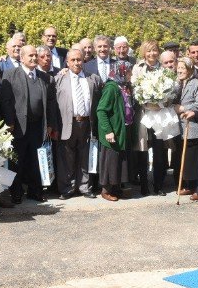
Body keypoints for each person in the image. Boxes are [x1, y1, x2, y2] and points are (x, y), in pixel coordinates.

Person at [0, 45, 58, 203]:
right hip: (18, 126)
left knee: (36, 160)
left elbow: (52, 103)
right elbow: (6, 101)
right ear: (22, 57)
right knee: (17, 161)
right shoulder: (10, 75)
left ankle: (35, 191)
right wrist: (9, 122)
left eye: (35, 55)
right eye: (30, 55)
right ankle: (16, 193)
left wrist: (50, 124)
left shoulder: (46, 78)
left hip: (38, 126)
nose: (33, 58)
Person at [54, 48, 101, 199]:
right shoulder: (59, 79)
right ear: (67, 62)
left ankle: (85, 187)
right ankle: (67, 188)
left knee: (85, 156)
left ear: (83, 61)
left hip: (87, 123)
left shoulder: (93, 78)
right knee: (66, 158)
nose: (76, 63)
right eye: (73, 60)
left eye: (79, 59)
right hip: (67, 123)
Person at [131, 40, 174, 196]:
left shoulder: (164, 69)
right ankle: (144, 184)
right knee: (142, 150)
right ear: (144, 52)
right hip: (143, 114)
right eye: (148, 51)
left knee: (159, 150)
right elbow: (135, 90)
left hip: (160, 114)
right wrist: (146, 100)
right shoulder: (137, 68)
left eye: (155, 50)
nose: (152, 54)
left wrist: (161, 101)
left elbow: (170, 91)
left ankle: (158, 184)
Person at [95, 66, 133, 201]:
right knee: (110, 161)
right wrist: (108, 131)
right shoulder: (111, 88)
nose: (130, 75)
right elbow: (101, 110)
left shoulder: (123, 87)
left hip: (122, 130)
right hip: (113, 131)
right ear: (121, 72)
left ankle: (116, 189)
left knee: (119, 161)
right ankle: (106, 190)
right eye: (128, 72)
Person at [175, 57, 198, 197]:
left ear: (190, 70)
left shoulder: (197, 83)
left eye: (183, 68)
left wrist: (183, 108)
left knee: (194, 159)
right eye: (179, 68)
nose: (180, 70)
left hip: (193, 126)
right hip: (180, 128)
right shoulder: (177, 84)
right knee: (186, 159)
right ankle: (188, 185)